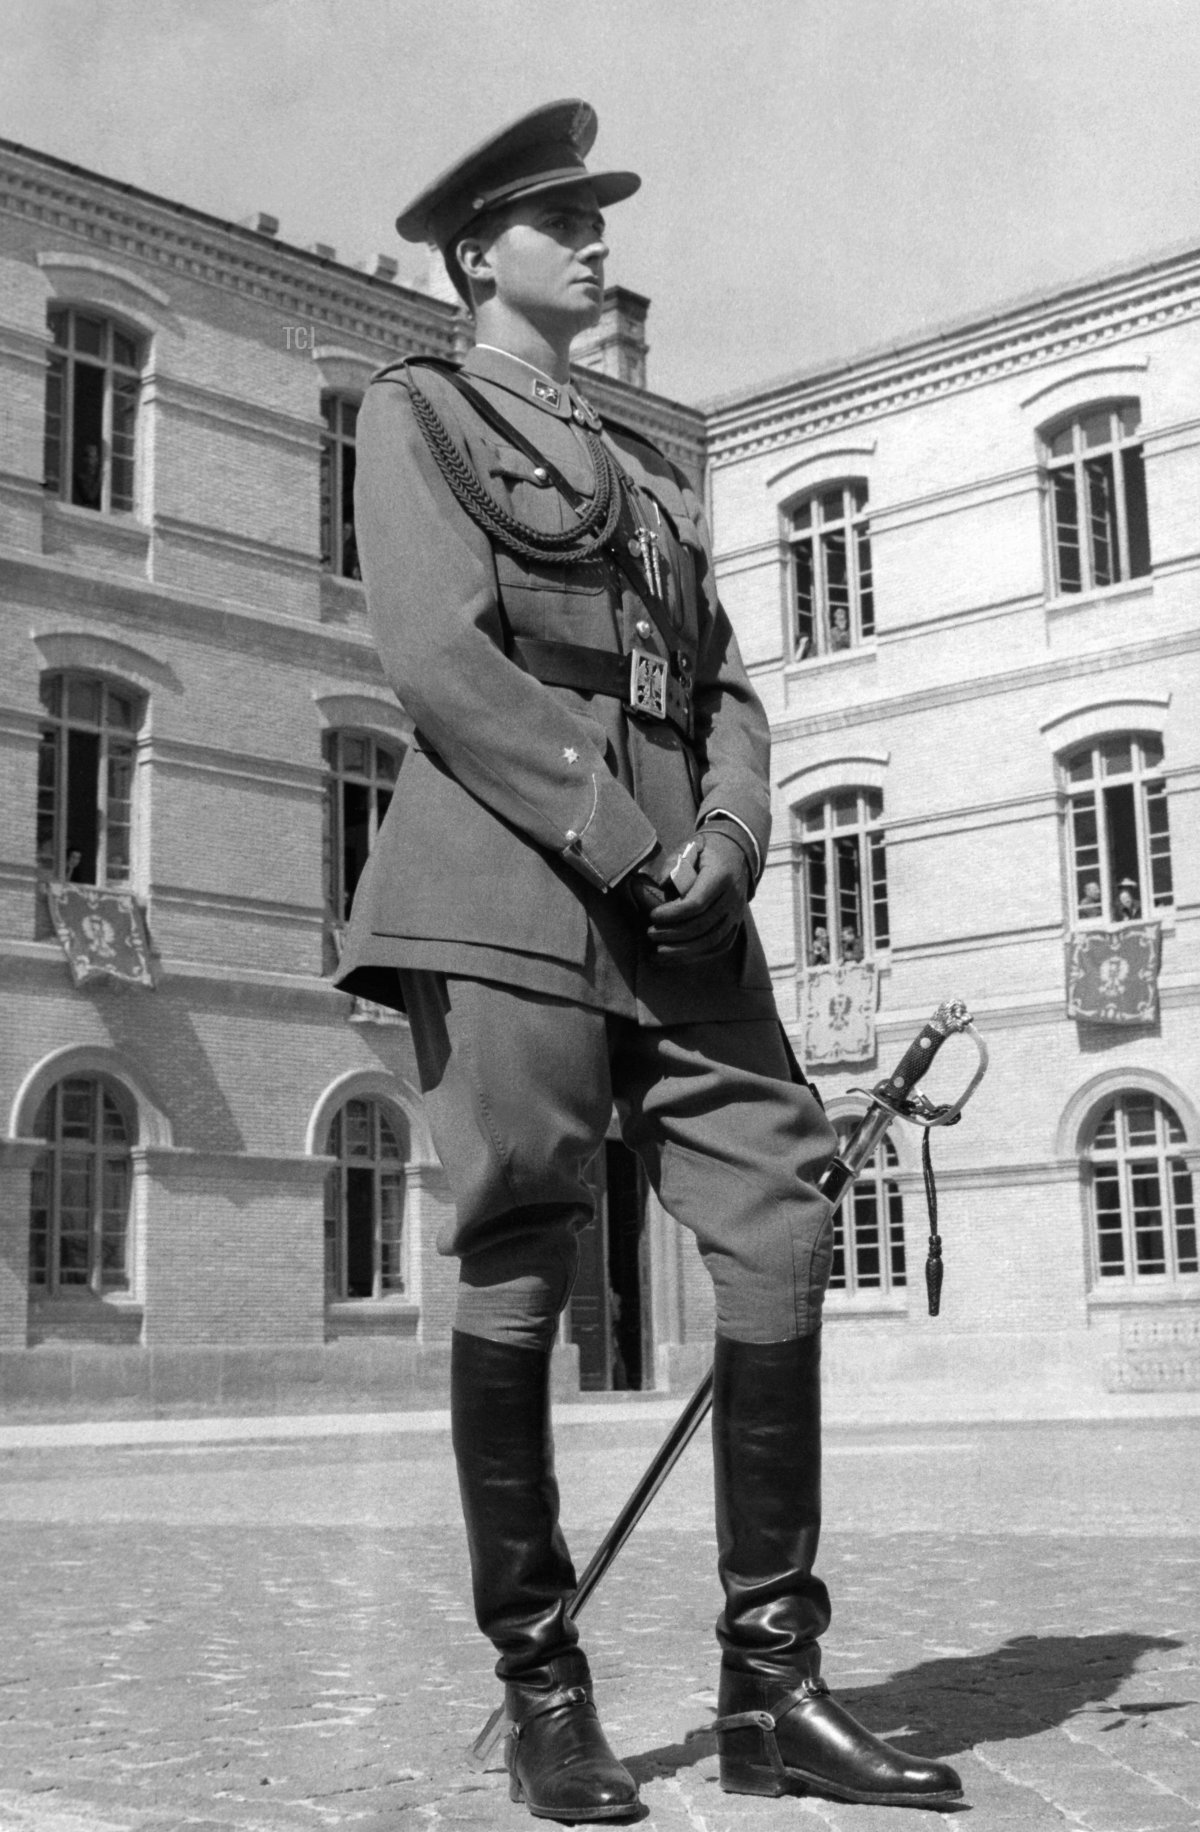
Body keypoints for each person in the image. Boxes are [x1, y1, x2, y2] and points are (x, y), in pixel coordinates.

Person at [335, 99, 962, 1818]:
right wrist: (629, 842)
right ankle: (546, 1693)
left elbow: (732, 686)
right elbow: (438, 662)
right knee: (525, 1239)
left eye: (598, 216)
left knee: (779, 1212)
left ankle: (775, 1688)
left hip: (690, 909)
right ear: (481, 256)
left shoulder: (653, 477)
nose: (596, 240)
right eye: (559, 219)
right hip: (512, 885)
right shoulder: (417, 412)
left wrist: (739, 841)